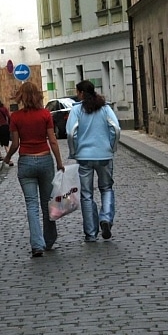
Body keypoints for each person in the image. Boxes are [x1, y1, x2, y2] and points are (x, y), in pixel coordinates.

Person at [3, 82, 64, 257]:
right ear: (37, 95)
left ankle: (37, 244)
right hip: (45, 159)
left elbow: (15, 144)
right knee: (48, 202)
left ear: (21, 96)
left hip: (26, 162)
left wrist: (7, 158)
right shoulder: (45, 114)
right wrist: (59, 162)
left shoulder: (16, 117)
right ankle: (49, 240)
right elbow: (53, 141)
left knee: (31, 204)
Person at [66, 80, 120, 242]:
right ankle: (106, 218)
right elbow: (115, 128)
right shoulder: (105, 108)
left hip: (84, 157)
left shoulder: (77, 110)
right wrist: (112, 146)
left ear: (81, 93)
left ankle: (90, 233)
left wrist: (74, 151)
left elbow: (71, 133)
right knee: (107, 188)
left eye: (77, 92)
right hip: (104, 155)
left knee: (87, 194)